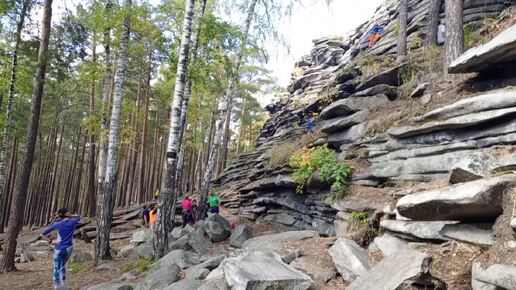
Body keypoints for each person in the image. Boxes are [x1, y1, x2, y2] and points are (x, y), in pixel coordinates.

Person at [40, 208, 81, 289]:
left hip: (58, 249)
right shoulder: (73, 222)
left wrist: (50, 241)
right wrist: (71, 215)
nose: (69, 212)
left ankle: (57, 287)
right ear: (66, 214)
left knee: (56, 268)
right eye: (68, 211)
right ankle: (65, 286)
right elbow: (78, 216)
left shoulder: (57, 224)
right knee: (63, 265)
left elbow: (42, 234)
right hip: (69, 248)